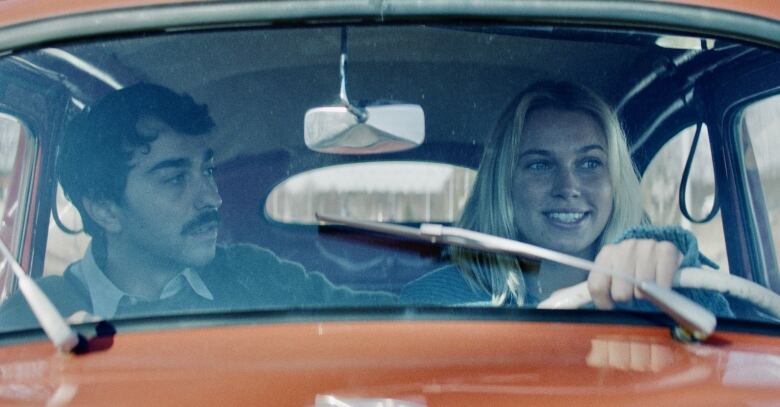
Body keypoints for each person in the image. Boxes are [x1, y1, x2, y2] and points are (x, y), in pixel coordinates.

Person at [0, 83, 394, 325]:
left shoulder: (255, 276)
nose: (213, 197)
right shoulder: (37, 319)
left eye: (206, 171)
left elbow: (389, 324)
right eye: (174, 178)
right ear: (105, 209)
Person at [401, 81, 731, 315]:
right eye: (540, 165)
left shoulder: (657, 285)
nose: (568, 186)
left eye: (590, 163)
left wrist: (669, 265)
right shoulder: (435, 299)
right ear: (504, 184)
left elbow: (733, 356)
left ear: (615, 181)